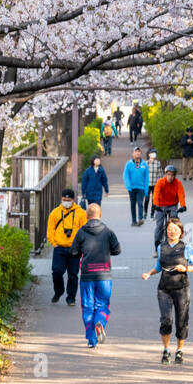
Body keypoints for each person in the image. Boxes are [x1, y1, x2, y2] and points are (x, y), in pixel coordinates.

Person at [142, 215, 193, 364]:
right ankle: (166, 350)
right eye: (169, 229)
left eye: (175, 229)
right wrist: (149, 273)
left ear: (181, 232)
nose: (172, 232)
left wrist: (186, 268)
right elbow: (158, 266)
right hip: (164, 288)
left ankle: (180, 350)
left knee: (182, 320)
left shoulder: (187, 248)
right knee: (166, 320)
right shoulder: (161, 247)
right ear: (166, 231)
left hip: (181, 288)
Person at [70, 202, 121, 348]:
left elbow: (73, 252)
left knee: (87, 307)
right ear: (100, 215)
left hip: (87, 275)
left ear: (87, 216)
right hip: (104, 275)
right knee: (102, 305)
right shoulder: (108, 231)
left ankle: (92, 340)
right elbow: (117, 250)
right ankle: (100, 322)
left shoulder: (81, 232)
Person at [46, 188, 86, 305]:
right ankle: (58, 291)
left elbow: (84, 231)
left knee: (73, 275)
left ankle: (71, 298)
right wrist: (54, 243)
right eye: (64, 200)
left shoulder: (81, 213)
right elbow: (50, 230)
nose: (66, 202)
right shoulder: (55, 213)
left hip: (75, 249)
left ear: (73, 200)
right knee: (57, 272)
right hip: (59, 247)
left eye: (68, 200)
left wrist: (81, 246)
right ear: (61, 199)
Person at [149, 163, 187, 255]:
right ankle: (156, 248)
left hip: (172, 205)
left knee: (174, 223)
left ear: (174, 176)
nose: (170, 177)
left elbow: (181, 194)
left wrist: (183, 205)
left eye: (172, 175)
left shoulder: (178, 183)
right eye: (168, 175)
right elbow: (156, 194)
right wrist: (155, 205)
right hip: (161, 205)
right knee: (159, 226)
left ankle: (173, 244)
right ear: (165, 175)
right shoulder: (160, 182)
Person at [123, 147, 149, 226]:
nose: (137, 153)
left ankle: (140, 219)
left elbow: (146, 177)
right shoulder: (129, 164)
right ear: (133, 154)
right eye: (136, 152)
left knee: (140, 203)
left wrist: (146, 190)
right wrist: (128, 186)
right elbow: (125, 176)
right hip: (132, 188)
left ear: (141, 154)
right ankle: (134, 221)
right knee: (133, 204)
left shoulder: (144, 164)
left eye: (139, 152)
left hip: (141, 188)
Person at [145, 148, 160, 219]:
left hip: (155, 184)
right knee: (147, 199)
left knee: (154, 200)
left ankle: (152, 214)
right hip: (147, 184)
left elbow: (160, 174)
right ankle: (145, 212)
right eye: (153, 153)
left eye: (155, 153)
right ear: (149, 155)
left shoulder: (158, 163)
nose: (154, 154)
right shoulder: (145, 163)